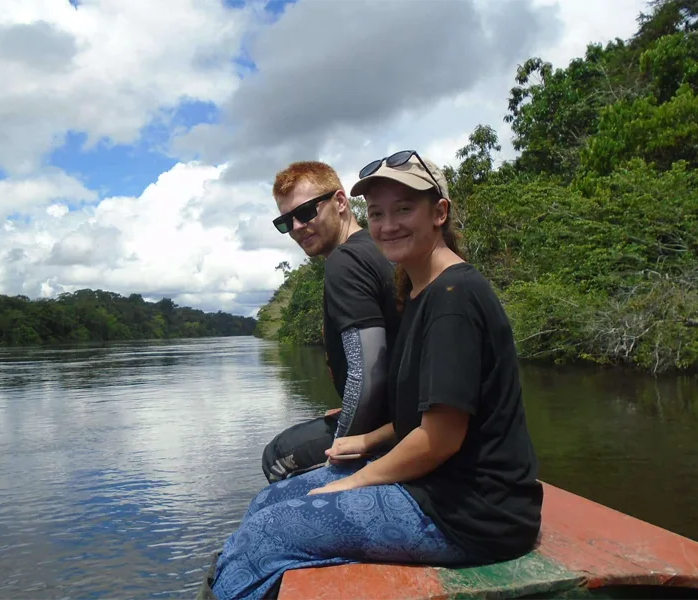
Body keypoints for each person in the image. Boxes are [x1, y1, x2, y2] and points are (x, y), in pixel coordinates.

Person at [207, 151, 543, 600]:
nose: (387, 225)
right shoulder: (418, 291)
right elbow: (420, 419)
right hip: (435, 488)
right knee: (268, 502)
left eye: (404, 209)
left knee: (269, 531)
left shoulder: (453, 300)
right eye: (379, 213)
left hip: (471, 515)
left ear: (439, 213)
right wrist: (365, 441)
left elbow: (440, 440)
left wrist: (353, 481)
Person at [260, 161, 400, 483]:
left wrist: (346, 443)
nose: (296, 226)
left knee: (277, 456)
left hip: (388, 428)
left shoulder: (345, 262)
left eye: (307, 211)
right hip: (395, 415)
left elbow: (367, 373)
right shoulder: (376, 249)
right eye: (285, 222)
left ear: (340, 202)